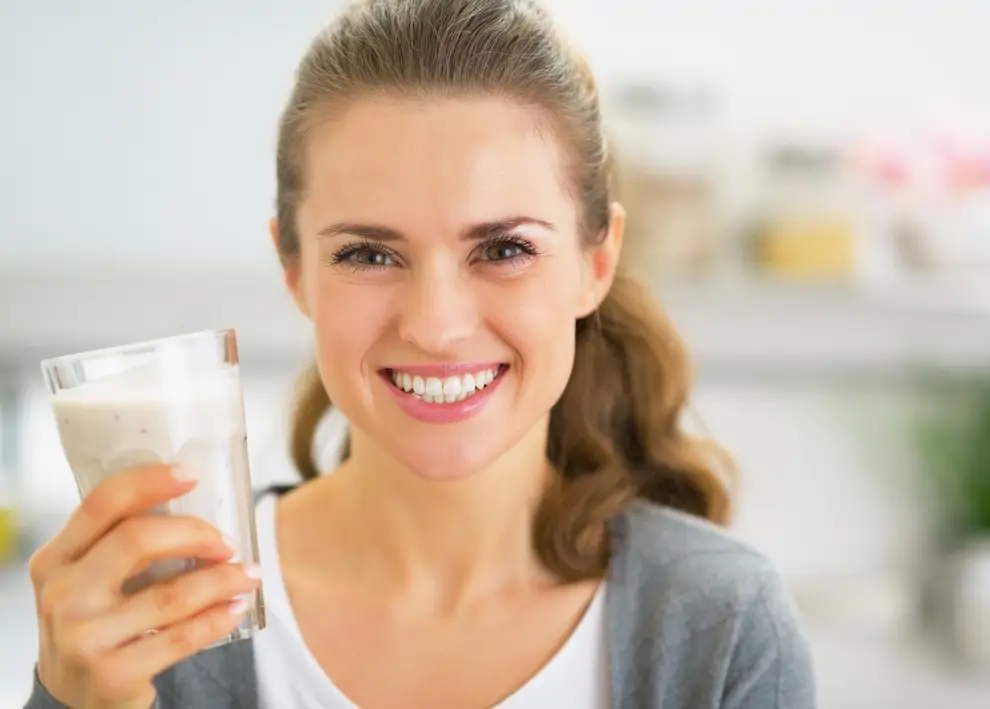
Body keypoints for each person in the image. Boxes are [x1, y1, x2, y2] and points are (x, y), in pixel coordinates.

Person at [24, 1, 816, 707]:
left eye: (504, 248)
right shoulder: (167, 622)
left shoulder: (721, 627)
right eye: (370, 255)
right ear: (293, 267)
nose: (436, 326)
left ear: (596, 262)